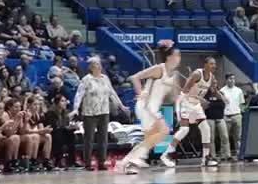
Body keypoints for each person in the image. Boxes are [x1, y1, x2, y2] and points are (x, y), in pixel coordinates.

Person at [117, 41, 180, 174]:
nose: (179, 58)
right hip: (145, 106)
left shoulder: (174, 75)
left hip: (153, 108)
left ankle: (126, 163)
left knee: (150, 139)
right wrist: (141, 93)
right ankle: (133, 160)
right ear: (169, 57)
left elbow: (174, 98)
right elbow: (134, 78)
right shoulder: (159, 69)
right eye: (177, 55)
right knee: (164, 130)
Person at [72, 56, 124, 171]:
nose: (99, 66)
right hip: (90, 113)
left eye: (99, 64)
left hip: (104, 111)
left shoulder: (105, 78)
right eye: (96, 64)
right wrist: (75, 108)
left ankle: (102, 162)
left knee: (103, 138)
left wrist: (121, 105)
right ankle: (87, 163)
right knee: (89, 139)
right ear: (91, 67)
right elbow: (79, 95)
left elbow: (112, 93)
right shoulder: (86, 79)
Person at [219, 74, 245, 162]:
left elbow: (241, 103)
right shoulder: (222, 91)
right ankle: (225, 155)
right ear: (226, 80)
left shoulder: (239, 90)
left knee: (238, 137)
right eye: (230, 79)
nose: (232, 80)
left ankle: (239, 154)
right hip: (226, 115)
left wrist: (241, 113)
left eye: (233, 78)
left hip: (237, 115)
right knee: (225, 137)